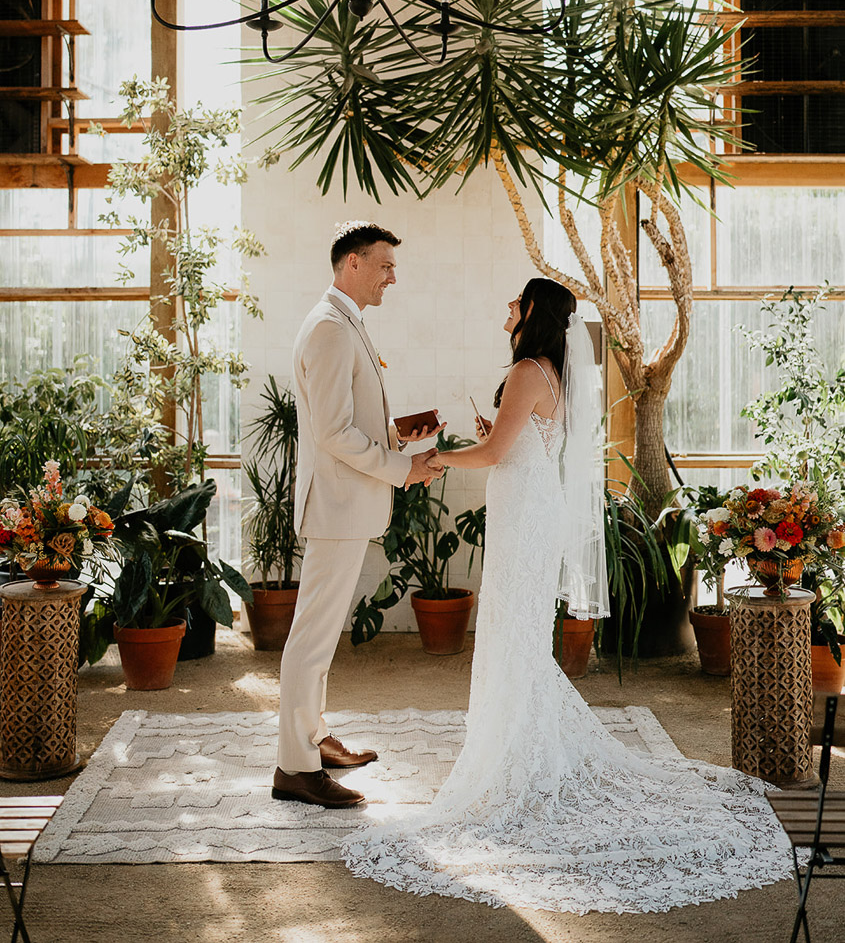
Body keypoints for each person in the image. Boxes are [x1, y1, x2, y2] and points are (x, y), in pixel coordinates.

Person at [343, 277, 791, 911]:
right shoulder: (549, 371)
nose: (505, 308)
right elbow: (521, 445)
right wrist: (486, 439)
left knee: (512, 635)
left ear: (531, 313)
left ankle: (520, 763)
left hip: (525, 516)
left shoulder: (528, 369)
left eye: (513, 302)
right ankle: (523, 750)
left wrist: (440, 458)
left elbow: (498, 449)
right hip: (530, 508)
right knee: (516, 633)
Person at [272, 222, 444, 809]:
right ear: (352, 263)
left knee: (319, 638)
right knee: (312, 638)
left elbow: (347, 423)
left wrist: (398, 437)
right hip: (336, 506)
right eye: (385, 265)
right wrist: (403, 468)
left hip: (347, 503)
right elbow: (332, 433)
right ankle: (294, 767)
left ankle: (314, 739)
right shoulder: (328, 327)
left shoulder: (345, 321)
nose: (393, 276)